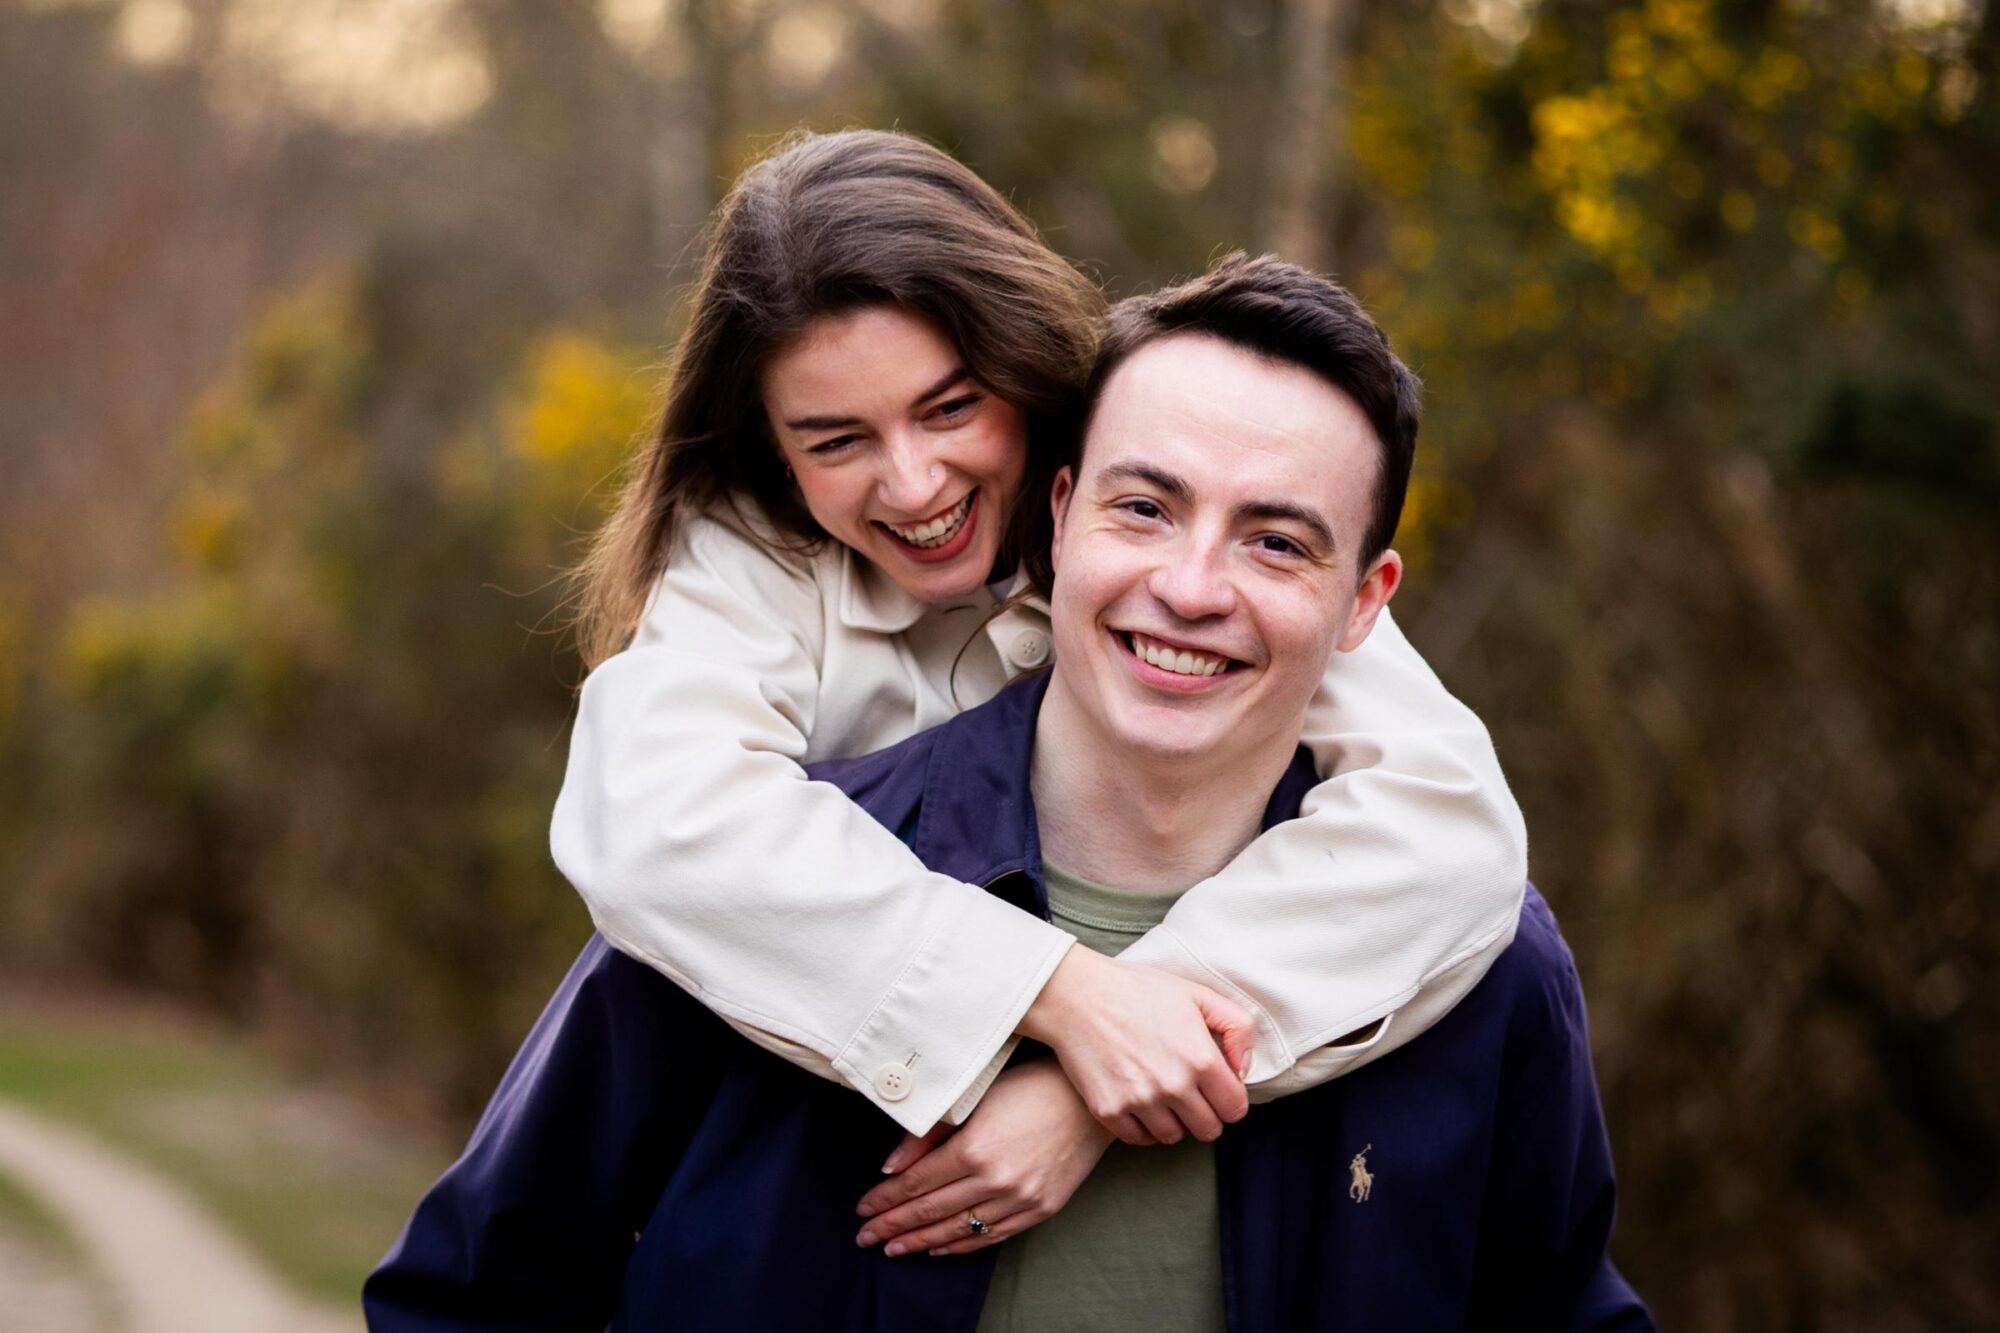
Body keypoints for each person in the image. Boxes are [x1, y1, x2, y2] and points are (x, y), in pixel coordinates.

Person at [365, 256, 1650, 1332]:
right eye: (1144, 507)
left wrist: (1094, 1085)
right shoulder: (747, 897)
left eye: (1274, 540)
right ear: (1063, 511)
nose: (1192, 586)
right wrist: (1055, 1001)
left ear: (1366, 601)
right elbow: (469, 1302)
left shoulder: (1476, 967)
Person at [549, 127, 1528, 1171]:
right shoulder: (753, 558)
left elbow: (1447, 823)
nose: (914, 484)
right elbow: (653, 816)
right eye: (837, 440)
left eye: (951, 407)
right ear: (773, 451)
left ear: (1019, 368)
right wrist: (1059, 996)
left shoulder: (1159, 514)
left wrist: (1094, 1083)